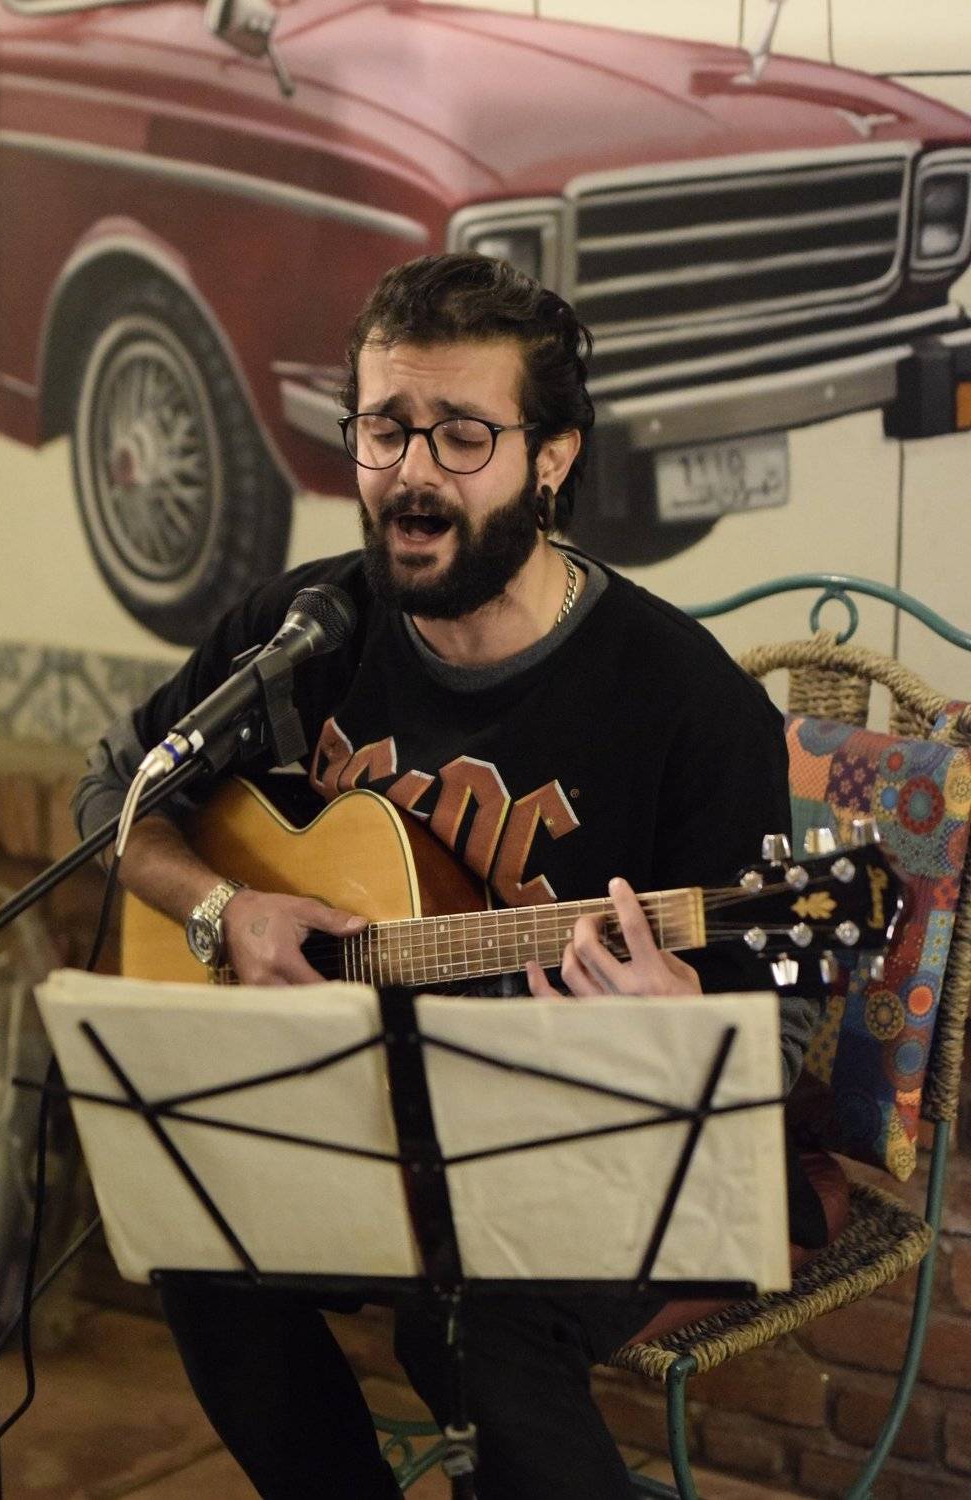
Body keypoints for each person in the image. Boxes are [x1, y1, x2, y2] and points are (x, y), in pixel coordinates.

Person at [73, 252, 828, 1500]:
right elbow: (121, 791)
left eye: (463, 435)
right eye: (385, 429)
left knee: (474, 1325)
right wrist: (222, 909)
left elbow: (780, 1016)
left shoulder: (681, 702)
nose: (413, 473)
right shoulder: (308, 631)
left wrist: (680, 1020)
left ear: (552, 458)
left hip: (595, 1141)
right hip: (363, 1118)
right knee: (196, 1233)